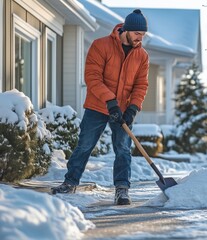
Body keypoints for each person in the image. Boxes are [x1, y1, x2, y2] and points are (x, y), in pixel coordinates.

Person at [51, 9, 149, 205]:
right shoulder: (101, 45)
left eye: (143, 35)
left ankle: (122, 189)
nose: (140, 38)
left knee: (123, 148)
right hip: (98, 106)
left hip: (122, 110)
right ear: (126, 30)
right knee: (85, 145)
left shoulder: (142, 56)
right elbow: (92, 78)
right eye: (137, 34)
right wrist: (110, 101)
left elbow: (141, 85)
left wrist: (133, 109)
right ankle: (70, 182)